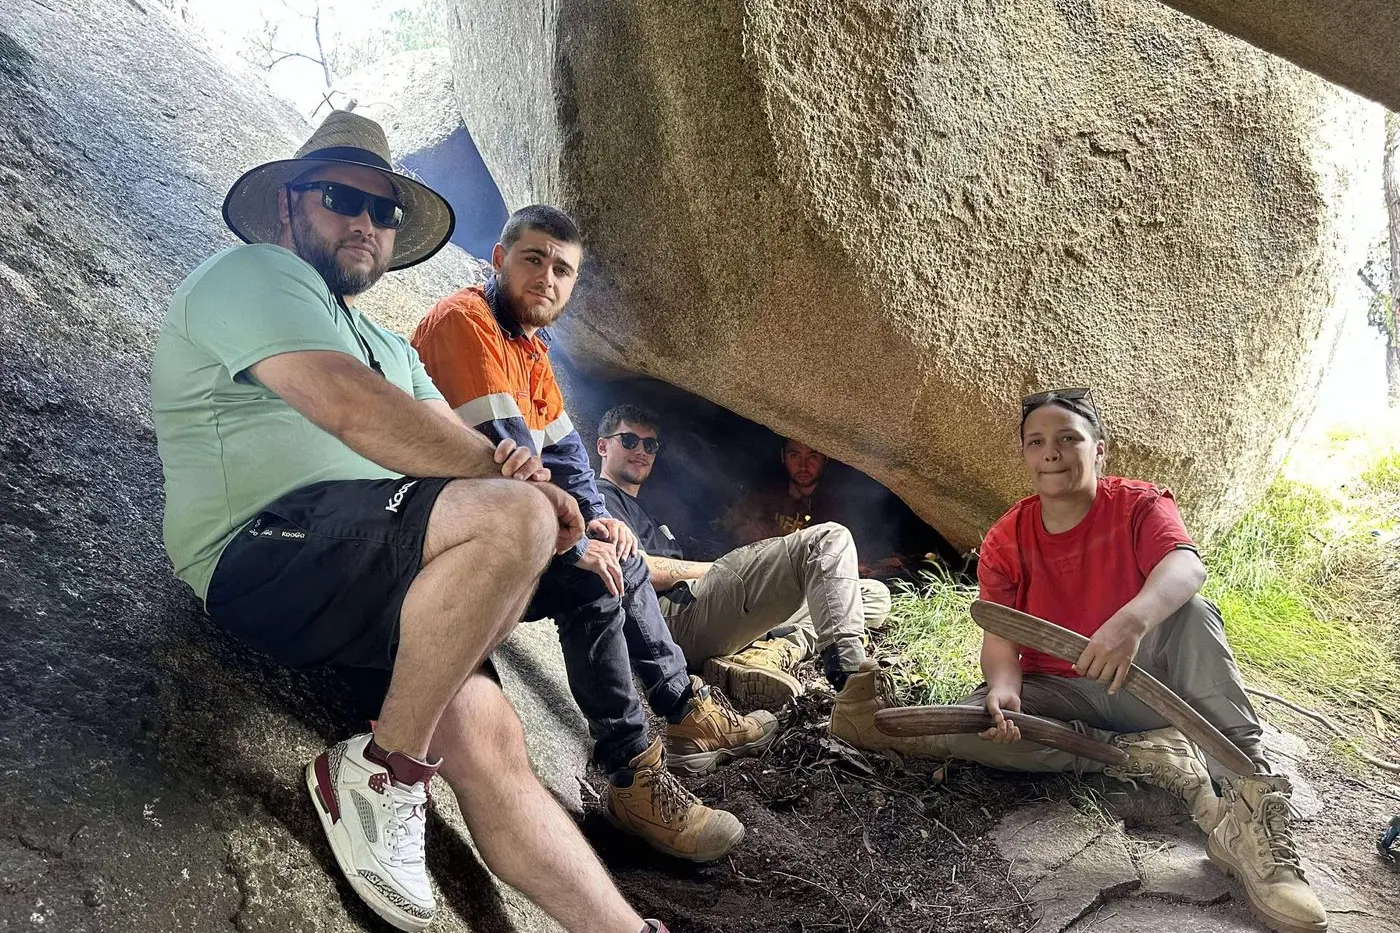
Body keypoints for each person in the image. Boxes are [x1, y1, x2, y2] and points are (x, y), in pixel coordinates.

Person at [151, 112, 672, 933]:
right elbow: (348, 407)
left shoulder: (392, 346)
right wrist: (523, 495)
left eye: (383, 210)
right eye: (339, 198)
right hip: (263, 551)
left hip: (380, 578)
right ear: (290, 205)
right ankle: (383, 773)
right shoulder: (254, 274)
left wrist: (546, 494)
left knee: (496, 747)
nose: (364, 221)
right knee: (516, 519)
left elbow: (462, 445)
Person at [847, 388, 1323, 933]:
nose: (1052, 451)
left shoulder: (1140, 505)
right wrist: (1004, 687)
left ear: (1100, 450)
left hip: (1151, 687)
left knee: (1192, 613)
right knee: (982, 720)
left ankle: (1249, 805)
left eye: (1069, 438)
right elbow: (1000, 634)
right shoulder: (1008, 536)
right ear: (1026, 456)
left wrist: (1130, 623)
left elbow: (1186, 568)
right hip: (1063, 693)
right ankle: (1138, 758)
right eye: (1037, 441)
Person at [409, 205, 777, 863]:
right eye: (533, 259)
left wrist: (598, 519)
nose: (546, 278)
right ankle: (634, 777)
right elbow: (507, 457)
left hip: (497, 539)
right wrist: (580, 545)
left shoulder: (529, 349)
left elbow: (566, 456)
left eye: (562, 269)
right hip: (444, 542)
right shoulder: (466, 324)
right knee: (595, 574)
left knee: (621, 558)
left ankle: (685, 711)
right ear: (499, 260)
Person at [591, 404, 894, 714]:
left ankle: (762, 654)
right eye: (629, 441)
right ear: (603, 446)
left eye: (650, 444)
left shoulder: (642, 509)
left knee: (872, 595)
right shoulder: (600, 500)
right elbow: (637, 568)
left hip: (699, 614)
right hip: (670, 617)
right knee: (830, 539)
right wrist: (715, 569)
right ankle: (855, 688)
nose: (641, 450)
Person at [723, 438, 926, 578]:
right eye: (795, 455)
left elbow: (853, 559)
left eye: (813, 456)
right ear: (783, 457)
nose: (804, 465)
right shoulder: (766, 495)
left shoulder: (839, 504)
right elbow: (741, 531)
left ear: (826, 459)